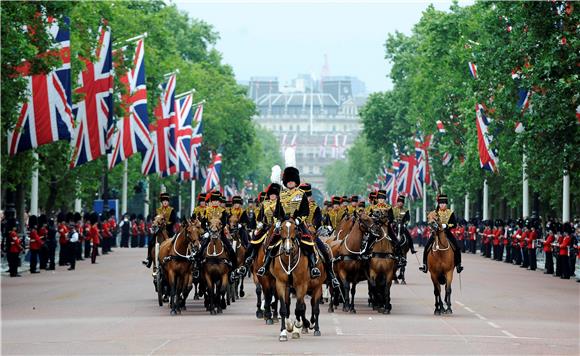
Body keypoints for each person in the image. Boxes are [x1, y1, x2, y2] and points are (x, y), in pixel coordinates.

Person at [257, 168, 339, 288]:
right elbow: (277, 212)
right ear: (285, 182)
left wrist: (297, 220)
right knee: (271, 243)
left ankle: (315, 268)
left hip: (298, 224)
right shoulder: (282, 195)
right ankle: (265, 266)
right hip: (284, 225)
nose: (290, 182)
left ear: (296, 182)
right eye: (288, 181)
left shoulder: (301, 195)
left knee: (311, 243)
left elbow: (305, 211)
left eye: (292, 180)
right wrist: (278, 222)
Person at [420, 194, 463, 274]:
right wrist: (434, 225)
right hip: (436, 233)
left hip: (447, 233)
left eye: (444, 203)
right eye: (441, 203)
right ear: (438, 204)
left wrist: (446, 226)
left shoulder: (450, 212)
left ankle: (458, 265)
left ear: (446, 204)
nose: (442, 205)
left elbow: (454, 224)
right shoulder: (434, 213)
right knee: (426, 247)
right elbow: (429, 222)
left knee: (457, 247)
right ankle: (425, 265)